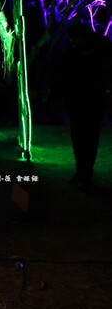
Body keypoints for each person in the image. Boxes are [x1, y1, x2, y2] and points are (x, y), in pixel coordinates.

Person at [51, 23, 112, 192]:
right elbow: (62, 75)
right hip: (80, 101)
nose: (72, 40)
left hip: (91, 100)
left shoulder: (99, 49)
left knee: (87, 138)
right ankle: (82, 172)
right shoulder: (75, 51)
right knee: (80, 138)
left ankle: (85, 173)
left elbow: (63, 75)